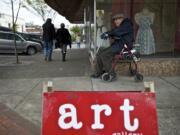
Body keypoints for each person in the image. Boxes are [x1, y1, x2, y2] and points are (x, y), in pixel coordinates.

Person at [91, 13, 134, 78]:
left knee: (104, 55)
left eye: (117, 19)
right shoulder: (120, 26)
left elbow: (118, 32)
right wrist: (107, 34)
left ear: (122, 19)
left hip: (124, 46)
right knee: (100, 52)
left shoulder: (127, 24)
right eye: (115, 20)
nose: (115, 21)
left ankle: (111, 74)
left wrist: (108, 34)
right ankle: (98, 72)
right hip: (118, 45)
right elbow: (114, 32)